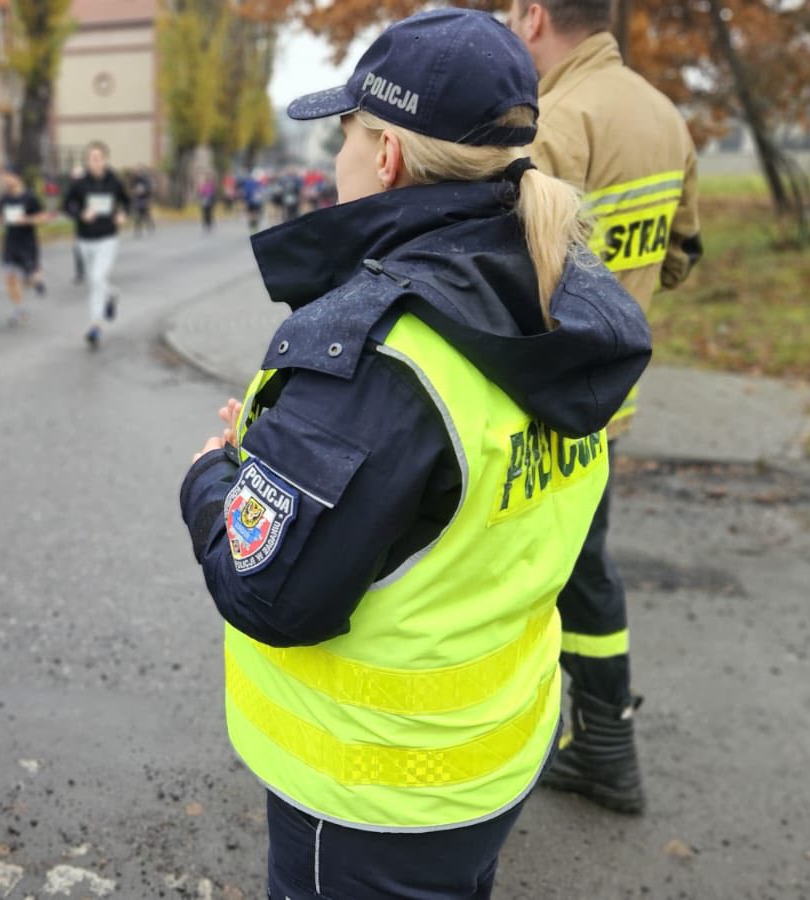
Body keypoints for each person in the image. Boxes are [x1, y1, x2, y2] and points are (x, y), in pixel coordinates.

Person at [177, 9, 651, 897]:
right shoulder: (561, 294)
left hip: (373, 795)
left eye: (345, 137)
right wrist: (299, 447)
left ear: (387, 155)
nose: (334, 161)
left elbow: (268, 586)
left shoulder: (377, 354)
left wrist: (213, 474)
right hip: (495, 754)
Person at [508, 0, 703, 815]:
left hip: (540, 400)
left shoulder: (554, 120)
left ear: (535, 15)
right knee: (585, 565)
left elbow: (508, 274)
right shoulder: (665, 116)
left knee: (545, 574)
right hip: (611, 397)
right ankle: (596, 735)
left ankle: (599, 748)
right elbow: (684, 255)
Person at [61, 142, 130, 350]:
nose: (95, 161)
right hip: (85, 239)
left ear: (105, 159)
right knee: (95, 281)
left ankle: (95, 326)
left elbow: (127, 202)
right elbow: (66, 206)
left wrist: (122, 214)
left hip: (108, 237)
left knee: (97, 278)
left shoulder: (115, 182)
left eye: (98, 157)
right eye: (91, 158)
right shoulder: (79, 183)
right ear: (87, 161)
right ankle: (111, 294)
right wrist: (80, 214)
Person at [0, 167, 51, 327]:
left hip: (27, 244)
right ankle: (19, 310)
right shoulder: (4, 199)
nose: (6, 180)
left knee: (27, 280)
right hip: (10, 242)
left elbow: (44, 218)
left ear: (17, 177)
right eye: (4, 177)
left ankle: (36, 280)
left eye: (8, 176)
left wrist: (27, 220)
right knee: (9, 278)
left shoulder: (30, 197)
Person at [130, 167, 157, 237]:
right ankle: (138, 230)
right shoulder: (134, 180)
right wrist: (134, 192)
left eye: (137, 172)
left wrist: (144, 191)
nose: (136, 173)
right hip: (138, 200)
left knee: (146, 215)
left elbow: (149, 189)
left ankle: (151, 227)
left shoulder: (145, 179)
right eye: (135, 172)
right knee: (138, 215)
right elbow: (132, 188)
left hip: (145, 199)